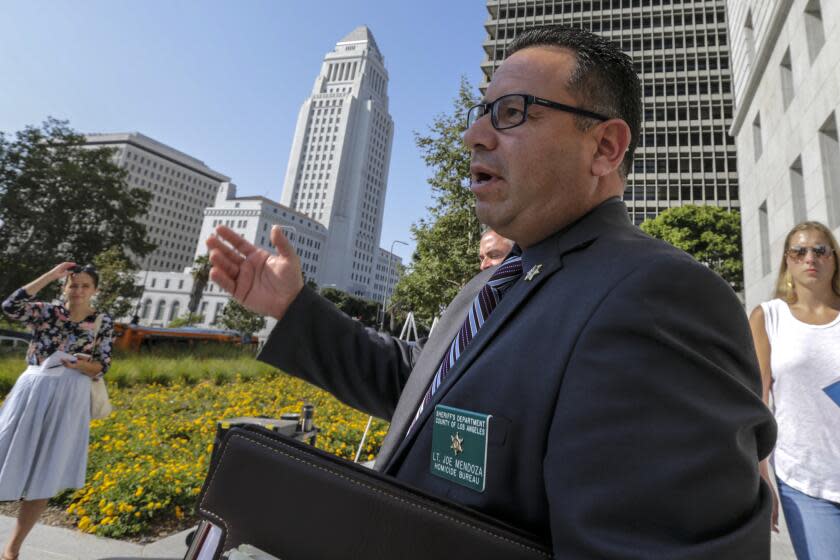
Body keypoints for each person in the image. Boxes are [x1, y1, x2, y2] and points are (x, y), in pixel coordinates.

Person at [208, 25, 776, 557]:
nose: (473, 136)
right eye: (480, 114)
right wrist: (292, 308)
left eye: (510, 113)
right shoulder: (487, 287)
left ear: (604, 147)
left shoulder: (660, 298)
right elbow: (423, 387)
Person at [0, 263, 114, 560]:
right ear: (64, 287)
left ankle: (12, 549)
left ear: (95, 290)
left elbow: (102, 364)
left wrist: (80, 365)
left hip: (70, 396)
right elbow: (11, 306)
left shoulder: (102, 321)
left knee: (45, 473)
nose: (78, 290)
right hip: (35, 388)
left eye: (85, 285)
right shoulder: (47, 312)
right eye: (73, 285)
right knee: (5, 453)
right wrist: (50, 274)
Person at [749, 221, 840, 559]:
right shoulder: (768, 317)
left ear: (834, 258)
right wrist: (760, 477)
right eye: (799, 251)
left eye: (820, 249)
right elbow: (757, 399)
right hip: (805, 480)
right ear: (787, 261)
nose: (810, 258)